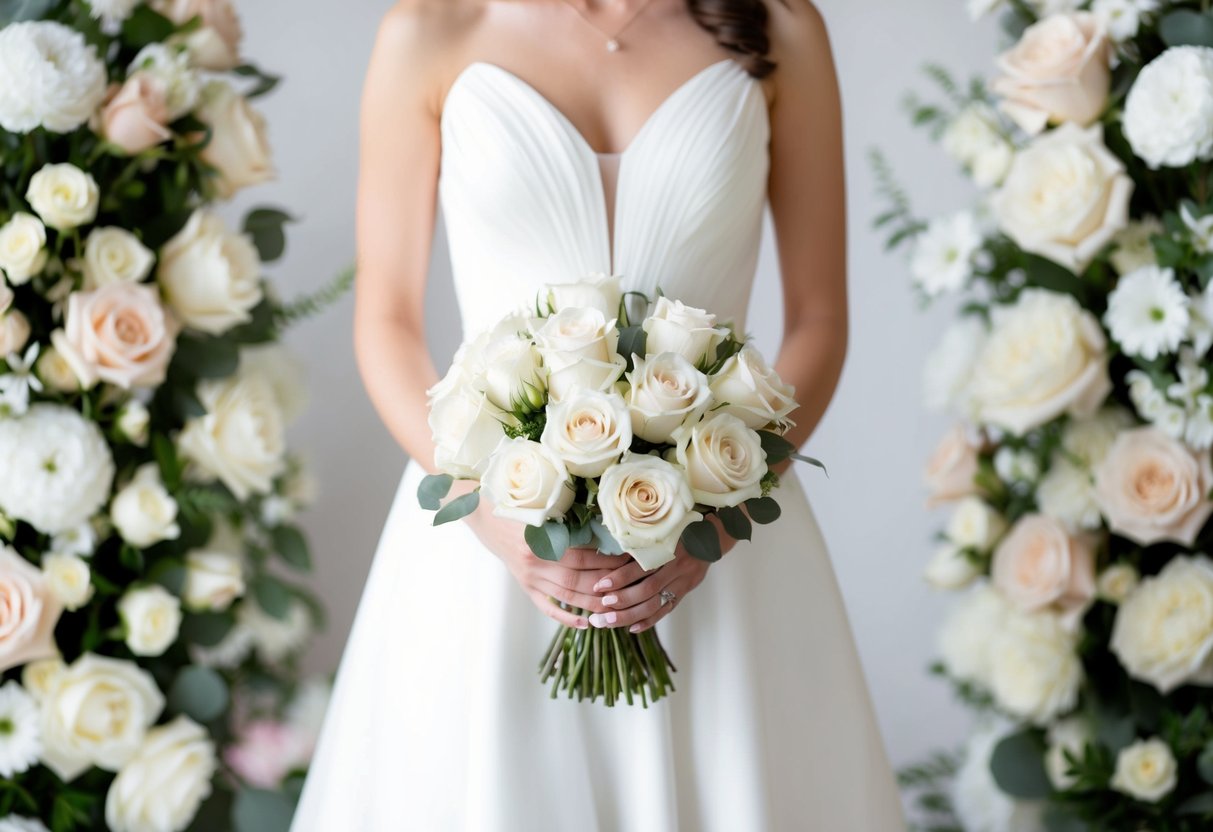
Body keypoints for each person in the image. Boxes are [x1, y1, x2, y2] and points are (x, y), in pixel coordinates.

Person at [291, 0, 906, 828]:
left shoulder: (782, 26)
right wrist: (488, 514)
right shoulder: (432, 28)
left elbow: (819, 319)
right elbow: (387, 323)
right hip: (490, 528)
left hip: (719, 547)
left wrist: (715, 521)